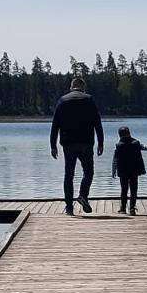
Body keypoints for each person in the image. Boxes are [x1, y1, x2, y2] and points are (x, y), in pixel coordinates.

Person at [49, 76, 104, 215]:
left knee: (69, 175)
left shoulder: (62, 100)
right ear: (83, 88)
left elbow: (55, 124)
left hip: (68, 143)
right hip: (86, 142)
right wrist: (100, 142)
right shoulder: (89, 99)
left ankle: (69, 208)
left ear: (71, 87)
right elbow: (97, 122)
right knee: (88, 172)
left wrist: (53, 145)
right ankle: (83, 195)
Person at [111, 126, 147, 215]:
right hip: (134, 170)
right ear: (129, 133)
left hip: (123, 171)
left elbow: (115, 160)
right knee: (134, 189)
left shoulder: (119, 146)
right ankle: (132, 208)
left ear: (120, 135)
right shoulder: (136, 143)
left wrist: (113, 171)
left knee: (124, 189)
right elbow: (146, 147)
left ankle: (123, 208)